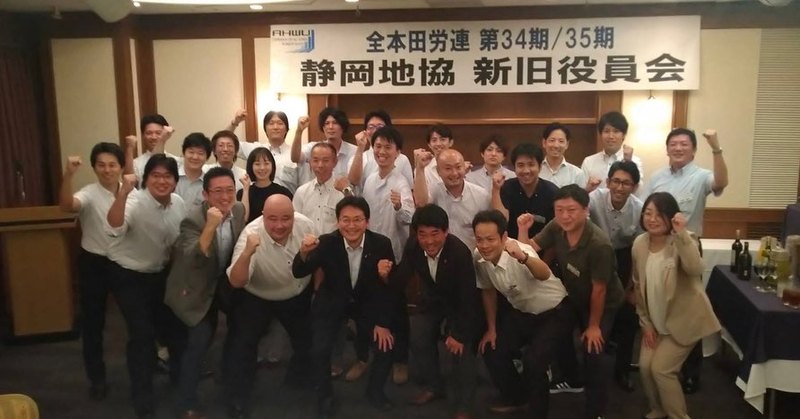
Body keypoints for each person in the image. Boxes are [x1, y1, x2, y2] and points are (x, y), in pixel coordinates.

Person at [521, 184, 624, 419]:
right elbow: (529, 250)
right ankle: (572, 379)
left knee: (593, 351)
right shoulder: (556, 226)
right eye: (559, 210)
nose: (565, 216)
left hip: (603, 302)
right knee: (558, 334)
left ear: (586, 211)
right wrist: (523, 229)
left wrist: (594, 326)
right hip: (573, 294)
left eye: (571, 210)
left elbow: (600, 290)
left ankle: (596, 410)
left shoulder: (599, 244)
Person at [292, 196, 397, 417]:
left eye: (357, 220)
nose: (351, 226)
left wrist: (382, 322)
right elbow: (299, 272)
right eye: (345, 220)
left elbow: (389, 288)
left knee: (385, 346)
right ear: (338, 222)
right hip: (332, 300)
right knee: (319, 349)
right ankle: (325, 397)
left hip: (366, 303)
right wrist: (303, 252)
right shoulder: (327, 242)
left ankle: (375, 392)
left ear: (367, 222)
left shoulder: (381, 244)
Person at [642, 127, 728, 393]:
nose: (678, 148)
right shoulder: (657, 177)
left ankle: (691, 372)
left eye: (684, 144)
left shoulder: (701, 176)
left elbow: (721, 183)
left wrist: (716, 147)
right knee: (660, 302)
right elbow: (645, 209)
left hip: (687, 245)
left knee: (688, 308)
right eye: (674, 144)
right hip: (657, 244)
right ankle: (662, 361)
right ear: (667, 149)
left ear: (693, 149)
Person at [105, 154, 187, 419]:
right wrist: (122, 194)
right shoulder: (133, 200)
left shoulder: (178, 204)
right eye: (156, 176)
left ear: (175, 181)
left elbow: (178, 244)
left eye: (167, 176)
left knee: (173, 328)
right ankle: (142, 396)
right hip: (128, 274)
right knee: (141, 335)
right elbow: (115, 225)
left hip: (160, 273)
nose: (162, 181)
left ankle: (179, 379)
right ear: (146, 178)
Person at [223, 194, 316, 419]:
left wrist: (317, 292)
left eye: (286, 218)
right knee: (244, 345)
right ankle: (238, 397)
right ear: (263, 216)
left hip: (296, 293)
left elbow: (319, 262)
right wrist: (247, 253)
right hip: (258, 295)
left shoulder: (306, 225)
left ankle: (298, 380)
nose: (279, 225)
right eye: (272, 219)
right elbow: (236, 281)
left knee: (307, 341)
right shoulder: (251, 234)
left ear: (294, 215)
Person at [164, 167, 246, 419]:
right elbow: (193, 257)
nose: (225, 197)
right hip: (195, 285)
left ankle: (231, 387)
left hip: (223, 282)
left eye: (230, 190)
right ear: (205, 194)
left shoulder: (238, 210)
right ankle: (186, 402)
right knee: (199, 341)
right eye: (218, 191)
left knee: (241, 333)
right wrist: (210, 225)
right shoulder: (192, 220)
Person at [473, 209, 571, 419]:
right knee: (492, 348)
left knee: (534, 362)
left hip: (556, 312)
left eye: (490, 239)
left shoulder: (520, 251)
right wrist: (491, 328)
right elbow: (488, 290)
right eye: (479, 239)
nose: (484, 245)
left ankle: (537, 413)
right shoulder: (478, 256)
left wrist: (523, 257)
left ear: (504, 237)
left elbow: (543, 273)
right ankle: (516, 399)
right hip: (524, 313)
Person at [633, 192, 720, 419]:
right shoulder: (639, 244)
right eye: (648, 213)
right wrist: (646, 324)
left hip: (684, 321)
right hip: (655, 322)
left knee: (662, 370)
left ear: (671, 217)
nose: (652, 219)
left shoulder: (683, 239)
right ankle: (658, 409)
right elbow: (638, 287)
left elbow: (695, 268)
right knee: (645, 367)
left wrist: (681, 234)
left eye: (659, 214)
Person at [393, 204, 480, 419]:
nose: (429, 241)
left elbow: (468, 299)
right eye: (422, 234)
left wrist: (458, 334)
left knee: (461, 349)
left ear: (446, 232)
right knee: (418, 335)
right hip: (433, 301)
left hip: (460, 305)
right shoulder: (414, 246)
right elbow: (400, 279)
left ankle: (465, 405)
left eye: (435, 234)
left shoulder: (459, 253)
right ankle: (434, 386)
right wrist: (386, 274)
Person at [346, 125, 414, 385]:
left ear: (398, 152)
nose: (382, 151)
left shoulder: (401, 181)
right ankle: (363, 357)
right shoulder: (372, 177)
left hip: (392, 254)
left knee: (395, 310)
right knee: (363, 308)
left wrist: (398, 207)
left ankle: (400, 361)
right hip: (368, 251)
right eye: (378, 146)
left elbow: (409, 218)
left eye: (388, 147)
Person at [58, 142, 126, 402]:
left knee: (138, 319)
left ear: (121, 167)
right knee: (93, 324)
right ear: (95, 168)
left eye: (112, 165)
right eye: (101, 165)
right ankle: (97, 378)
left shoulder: (131, 191)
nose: (107, 170)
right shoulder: (88, 193)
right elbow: (67, 205)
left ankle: (147, 365)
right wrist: (68, 174)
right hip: (94, 263)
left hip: (125, 262)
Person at [588, 161, 644, 392]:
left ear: (635, 186)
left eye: (626, 183)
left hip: (626, 258)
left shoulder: (639, 209)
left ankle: (622, 370)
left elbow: (639, 252)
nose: (620, 188)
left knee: (627, 316)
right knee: (595, 313)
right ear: (608, 182)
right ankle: (592, 369)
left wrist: (630, 287)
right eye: (616, 181)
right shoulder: (594, 199)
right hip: (595, 255)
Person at [414, 148, 490, 250]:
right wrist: (420, 168)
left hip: (472, 254)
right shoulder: (433, 190)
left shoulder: (481, 195)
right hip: (440, 254)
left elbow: (488, 229)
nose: (454, 173)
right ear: (438, 172)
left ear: (464, 168)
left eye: (458, 167)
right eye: (448, 168)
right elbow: (421, 204)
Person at [492, 142, 558, 240]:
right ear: (514, 168)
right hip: (510, 245)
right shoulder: (506, 188)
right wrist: (496, 189)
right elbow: (501, 220)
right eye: (520, 165)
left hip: (543, 247)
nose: (526, 170)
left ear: (540, 167)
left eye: (531, 165)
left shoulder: (552, 192)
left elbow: (556, 230)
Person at [229, 109, 299, 193]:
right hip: (257, 199)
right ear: (265, 129)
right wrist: (235, 123)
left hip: (287, 199)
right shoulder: (256, 149)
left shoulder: (296, 154)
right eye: (271, 123)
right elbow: (227, 142)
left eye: (280, 123)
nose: (275, 127)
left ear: (287, 129)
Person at [291, 107, 358, 190]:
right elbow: (295, 158)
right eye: (327, 123)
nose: (330, 127)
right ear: (323, 127)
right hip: (318, 194)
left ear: (342, 127)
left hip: (344, 195)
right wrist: (299, 131)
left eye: (335, 123)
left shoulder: (354, 151)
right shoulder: (314, 148)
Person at [347, 110, 414, 190]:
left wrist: (402, 197)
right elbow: (353, 182)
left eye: (380, 127)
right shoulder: (359, 157)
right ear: (365, 131)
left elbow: (410, 189)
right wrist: (360, 148)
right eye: (371, 127)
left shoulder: (402, 159)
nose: (375, 131)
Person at [581, 111, 644, 191]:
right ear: (601, 134)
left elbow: (638, 191)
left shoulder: (634, 161)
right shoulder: (589, 162)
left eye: (616, 131)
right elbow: (580, 194)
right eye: (606, 131)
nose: (611, 136)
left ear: (623, 135)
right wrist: (588, 189)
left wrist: (628, 163)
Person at [293, 142, 345, 236]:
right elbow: (295, 222)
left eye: (325, 160)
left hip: (333, 243)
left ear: (335, 162)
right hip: (306, 243)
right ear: (310, 162)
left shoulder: (342, 192)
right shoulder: (301, 192)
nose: (320, 165)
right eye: (315, 160)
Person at [237, 147, 292, 223]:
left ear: (272, 166)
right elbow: (243, 219)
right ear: (251, 166)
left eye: (266, 163)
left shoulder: (283, 192)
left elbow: (291, 218)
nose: (262, 168)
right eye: (257, 164)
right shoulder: (243, 193)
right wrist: (246, 189)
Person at [124, 114, 178, 185]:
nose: (153, 137)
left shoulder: (176, 161)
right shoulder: (136, 163)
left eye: (158, 133)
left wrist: (162, 140)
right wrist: (130, 148)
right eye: (149, 133)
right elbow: (129, 184)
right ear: (143, 135)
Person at [539, 122, 588, 189]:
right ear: (544, 143)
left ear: (567, 144)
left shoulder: (577, 173)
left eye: (561, 141)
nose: (556, 145)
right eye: (552, 140)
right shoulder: (535, 171)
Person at [174, 132, 212, 212]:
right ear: (183, 153)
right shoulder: (172, 176)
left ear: (207, 157)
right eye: (191, 152)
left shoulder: (208, 184)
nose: (195, 157)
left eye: (200, 153)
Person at [421, 124, 455, 188]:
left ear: (451, 142)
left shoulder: (461, 166)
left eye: (442, 139)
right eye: (434, 140)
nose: (438, 144)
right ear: (429, 145)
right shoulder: (423, 169)